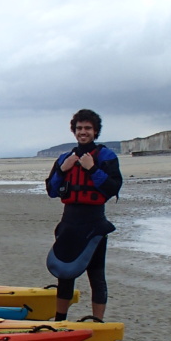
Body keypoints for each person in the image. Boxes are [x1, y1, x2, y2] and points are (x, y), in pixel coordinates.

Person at [45, 109, 122, 322]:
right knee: (65, 275)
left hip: (94, 223)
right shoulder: (65, 158)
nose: (83, 132)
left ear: (95, 131)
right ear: (74, 131)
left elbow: (112, 188)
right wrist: (62, 170)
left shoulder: (106, 156)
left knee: (96, 275)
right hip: (70, 222)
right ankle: (60, 320)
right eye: (79, 128)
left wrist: (91, 169)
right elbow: (52, 190)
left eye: (87, 128)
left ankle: (97, 322)